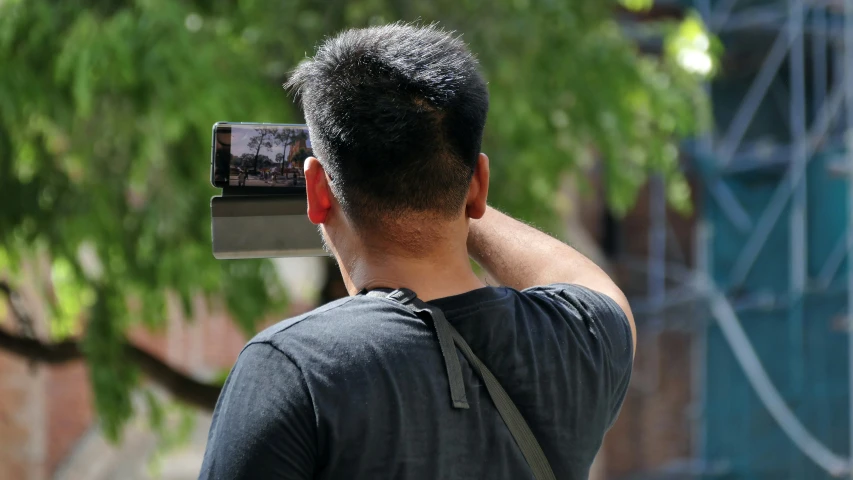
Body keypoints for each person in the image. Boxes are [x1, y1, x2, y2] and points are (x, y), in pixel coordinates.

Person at [200, 23, 635, 480]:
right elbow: (588, 281)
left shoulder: (289, 372)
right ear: (480, 185)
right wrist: (453, 191)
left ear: (316, 191)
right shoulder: (581, 346)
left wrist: (348, 175)